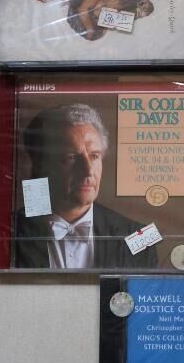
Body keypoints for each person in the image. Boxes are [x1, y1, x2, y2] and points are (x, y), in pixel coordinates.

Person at [14, 103, 157, 269]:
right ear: (41, 164)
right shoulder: (10, 231)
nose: (88, 171)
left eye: (94, 156)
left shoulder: (139, 236)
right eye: (71, 157)